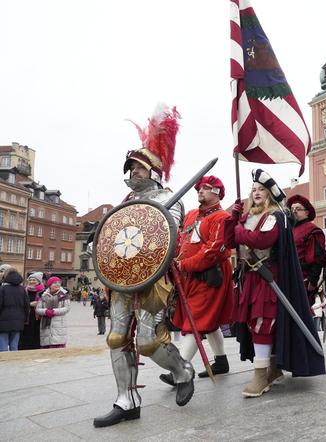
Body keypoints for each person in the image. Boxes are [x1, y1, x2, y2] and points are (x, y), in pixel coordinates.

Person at [93, 105, 195, 428]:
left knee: (149, 341)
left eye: (139, 167)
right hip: (122, 280)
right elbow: (113, 237)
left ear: (153, 171)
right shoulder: (124, 204)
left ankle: (182, 370)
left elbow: (170, 238)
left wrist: (158, 215)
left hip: (154, 279)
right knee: (116, 337)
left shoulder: (170, 198)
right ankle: (126, 400)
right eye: (131, 167)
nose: (133, 171)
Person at [224, 169, 325, 397]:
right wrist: (233, 219)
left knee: (263, 322)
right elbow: (229, 240)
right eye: (254, 189)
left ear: (269, 193)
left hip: (267, 276)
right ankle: (273, 367)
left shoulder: (275, 216)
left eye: (261, 189)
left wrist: (239, 230)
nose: (257, 192)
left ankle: (261, 374)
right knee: (254, 323)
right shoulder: (247, 217)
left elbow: (261, 239)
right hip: (250, 276)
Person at [159, 175, 235, 386]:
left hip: (210, 276)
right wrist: (173, 261)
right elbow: (181, 240)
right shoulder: (192, 215)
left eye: (206, 188)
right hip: (188, 277)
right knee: (208, 324)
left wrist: (184, 265)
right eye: (199, 188)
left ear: (217, 193)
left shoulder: (222, 217)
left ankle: (180, 371)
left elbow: (214, 251)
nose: (200, 191)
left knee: (196, 321)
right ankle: (221, 362)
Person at [286, 194, 326, 305]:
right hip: (287, 279)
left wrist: (312, 282)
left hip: (302, 279)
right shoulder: (288, 230)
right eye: (292, 209)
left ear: (307, 213)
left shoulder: (312, 230)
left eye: (298, 209)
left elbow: (318, 258)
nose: (294, 211)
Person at [35, 277, 71, 349]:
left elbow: (67, 308)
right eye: (55, 283)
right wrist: (45, 311)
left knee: (58, 349)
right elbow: (38, 309)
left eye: (59, 283)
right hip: (46, 327)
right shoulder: (43, 295)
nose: (57, 284)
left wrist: (54, 311)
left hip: (59, 326)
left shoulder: (63, 295)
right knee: (46, 349)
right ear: (50, 285)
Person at [0, 268, 30, 352]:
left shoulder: (2, 289)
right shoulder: (22, 289)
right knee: (14, 346)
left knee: (3, 346)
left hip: (2, 322)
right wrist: (25, 319)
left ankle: (5, 363)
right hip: (18, 322)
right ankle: (14, 363)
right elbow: (27, 306)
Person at [19, 272, 44, 350]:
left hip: (38, 317)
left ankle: (35, 348)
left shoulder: (43, 291)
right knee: (26, 333)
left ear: (39, 281)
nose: (32, 281)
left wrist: (39, 304)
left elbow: (47, 302)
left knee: (36, 333)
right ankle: (24, 348)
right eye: (30, 280)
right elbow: (20, 302)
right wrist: (29, 304)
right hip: (26, 316)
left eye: (34, 280)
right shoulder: (24, 290)